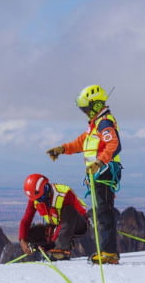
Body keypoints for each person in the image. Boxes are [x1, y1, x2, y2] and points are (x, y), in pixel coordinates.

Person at [46, 84, 122, 264]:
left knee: (103, 211)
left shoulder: (104, 123)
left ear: (95, 105)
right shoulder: (95, 125)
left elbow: (115, 145)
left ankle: (109, 253)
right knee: (101, 210)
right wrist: (62, 149)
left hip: (104, 172)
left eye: (86, 108)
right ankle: (107, 251)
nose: (85, 112)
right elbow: (81, 143)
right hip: (98, 173)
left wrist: (99, 162)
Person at [19, 174, 88, 261]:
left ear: (45, 188)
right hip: (57, 226)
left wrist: (52, 243)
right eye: (37, 199)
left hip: (79, 224)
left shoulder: (64, 194)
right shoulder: (35, 197)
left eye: (40, 198)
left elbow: (64, 222)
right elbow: (26, 220)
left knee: (68, 211)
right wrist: (22, 240)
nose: (39, 201)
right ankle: (52, 248)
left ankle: (60, 251)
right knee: (28, 234)